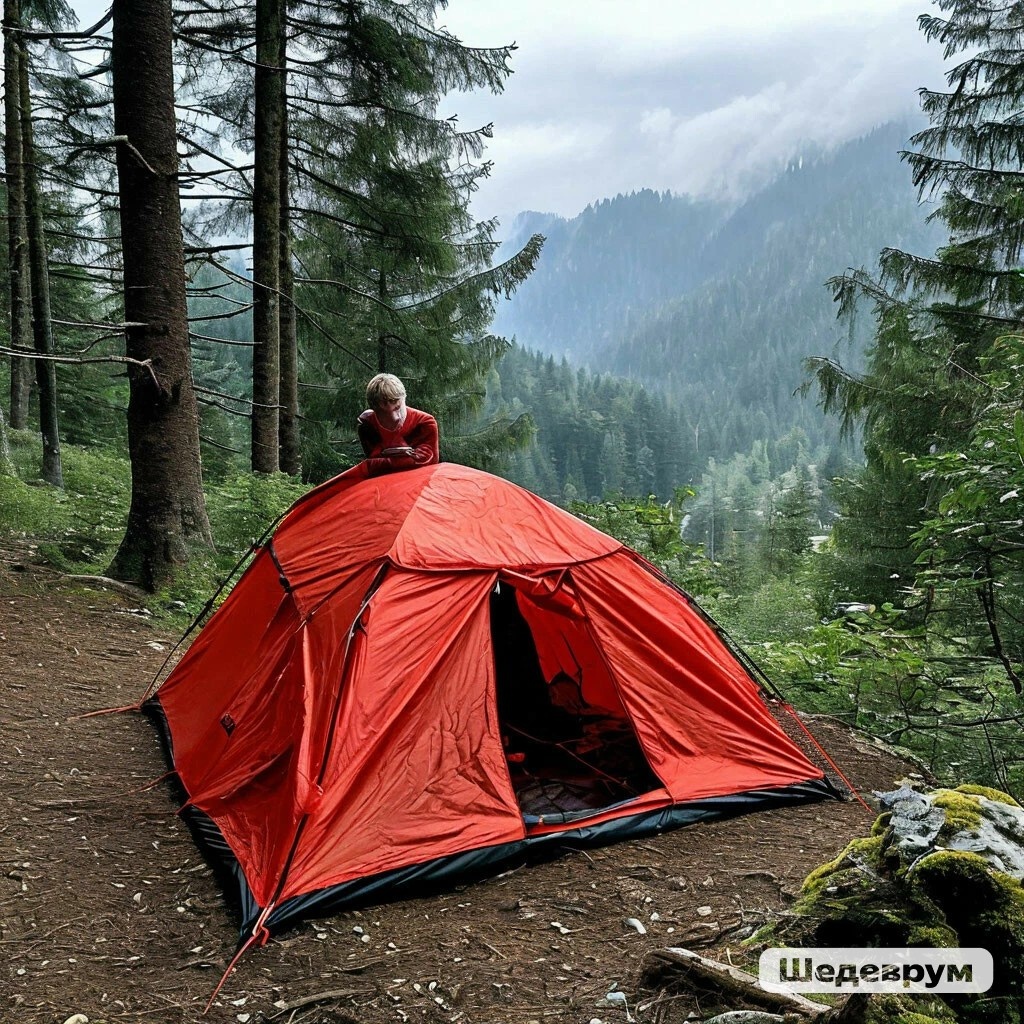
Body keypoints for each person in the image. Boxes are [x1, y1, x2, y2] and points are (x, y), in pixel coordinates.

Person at [355, 373, 439, 477]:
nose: (395, 417)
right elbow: (374, 467)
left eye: (397, 408)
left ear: (404, 398)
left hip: (419, 483)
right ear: (374, 411)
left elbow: (428, 462)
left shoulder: (424, 423)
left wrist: (383, 461)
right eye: (384, 413)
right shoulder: (367, 425)